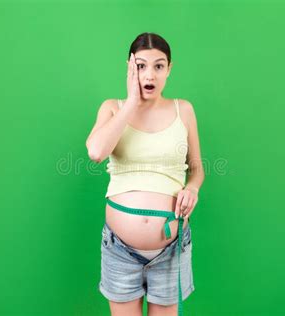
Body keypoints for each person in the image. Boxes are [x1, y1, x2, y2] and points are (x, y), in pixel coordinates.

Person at [86, 32, 205, 316]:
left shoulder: (184, 110)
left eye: (158, 66)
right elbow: (96, 152)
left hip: (170, 249)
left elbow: (197, 169)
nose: (149, 75)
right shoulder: (112, 108)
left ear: (169, 68)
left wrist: (193, 189)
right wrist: (130, 103)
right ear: (129, 68)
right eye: (140, 66)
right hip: (120, 249)